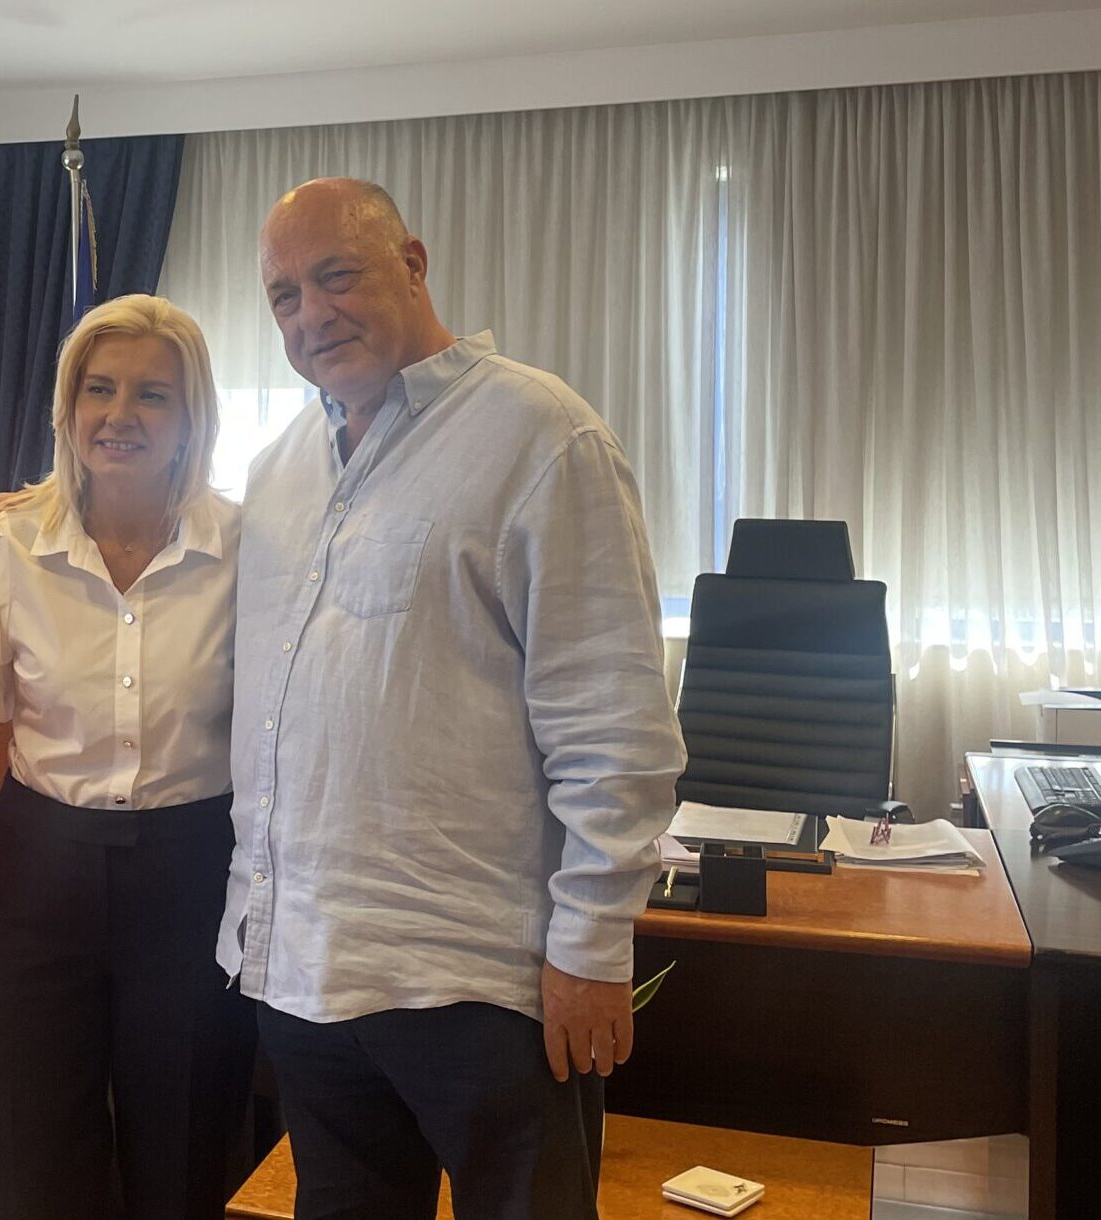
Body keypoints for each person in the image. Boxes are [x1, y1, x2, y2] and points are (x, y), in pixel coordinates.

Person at [220, 177, 686, 1220]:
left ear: (414, 265)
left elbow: (614, 722)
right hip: (304, 971)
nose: (311, 314)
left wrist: (593, 943)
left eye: (337, 276)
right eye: (285, 295)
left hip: (482, 980)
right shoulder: (280, 467)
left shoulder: (541, 434)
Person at [0, 294, 257, 1220]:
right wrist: (27, 838)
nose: (120, 415)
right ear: (68, 406)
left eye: (152, 395)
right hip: (39, 874)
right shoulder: (8, 544)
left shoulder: (247, 549)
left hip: (195, 869)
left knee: (187, 1141)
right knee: (43, 1140)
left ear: (192, 416)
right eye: (99, 389)